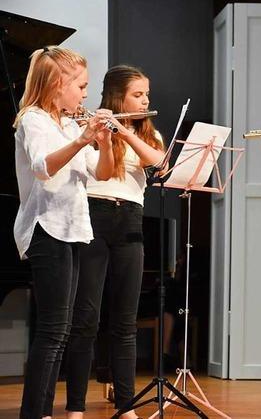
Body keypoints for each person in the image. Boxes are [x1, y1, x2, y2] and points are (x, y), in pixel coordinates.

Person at [13, 46, 114, 419]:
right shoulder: (33, 120)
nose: (86, 95)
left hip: (72, 228)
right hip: (46, 228)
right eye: (81, 86)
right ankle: (34, 414)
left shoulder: (70, 124)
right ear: (58, 84)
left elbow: (100, 174)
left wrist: (103, 142)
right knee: (53, 331)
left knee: (63, 329)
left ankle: (43, 412)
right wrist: (83, 138)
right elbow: (43, 167)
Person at [64, 65, 165, 419]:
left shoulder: (150, 135)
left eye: (146, 95)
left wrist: (122, 128)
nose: (145, 100)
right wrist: (102, 132)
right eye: (138, 95)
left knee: (125, 321)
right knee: (86, 318)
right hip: (93, 215)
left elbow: (158, 161)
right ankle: (75, 405)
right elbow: (99, 172)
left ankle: (126, 404)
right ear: (117, 96)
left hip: (131, 223)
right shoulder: (88, 127)